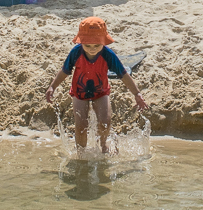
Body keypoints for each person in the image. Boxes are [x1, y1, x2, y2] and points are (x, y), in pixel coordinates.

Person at [45, 17, 148, 154]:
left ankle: (104, 145)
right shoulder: (76, 53)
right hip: (79, 93)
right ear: (80, 42)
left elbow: (123, 75)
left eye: (96, 46)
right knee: (81, 125)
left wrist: (137, 94)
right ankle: (81, 152)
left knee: (105, 122)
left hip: (101, 93)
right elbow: (64, 71)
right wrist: (53, 86)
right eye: (87, 46)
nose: (92, 49)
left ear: (104, 42)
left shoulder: (108, 55)